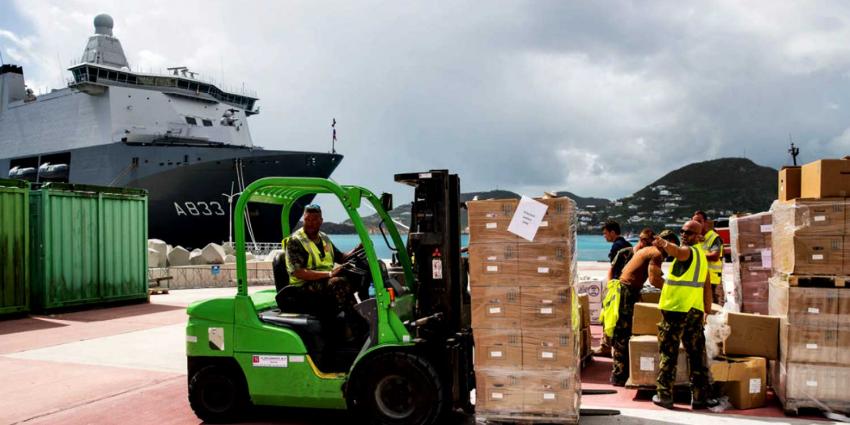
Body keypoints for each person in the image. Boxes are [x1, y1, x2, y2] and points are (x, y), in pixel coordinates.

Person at [651, 220, 717, 410]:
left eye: (688, 233)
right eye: (682, 231)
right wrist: (707, 309)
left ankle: (664, 395)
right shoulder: (702, 257)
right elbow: (706, 287)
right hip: (693, 312)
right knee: (696, 354)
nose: (684, 235)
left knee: (668, 353)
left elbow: (678, 252)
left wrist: (664, 244)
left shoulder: (687, 252)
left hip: (676, 312)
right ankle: (700, 397)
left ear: (698, 237)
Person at [608, 228, 668, 386]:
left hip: (627, 290)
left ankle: (622, 373)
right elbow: (654, 279)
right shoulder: (656, 253)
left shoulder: (648, 250)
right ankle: (619, 375)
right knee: (623, 331)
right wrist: (673, 290)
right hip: (627, 292)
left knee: (623, 331)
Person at [284, 204, 360, 319]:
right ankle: (355, 321)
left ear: (321, 221)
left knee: (358, 275)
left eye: (314, 219)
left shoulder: (324, 238)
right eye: (307, 219)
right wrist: (329, 274)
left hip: (322, 280)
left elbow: (340, 258)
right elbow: (298, 272)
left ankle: (363, 313)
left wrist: (358, 248)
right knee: (337, 282)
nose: (310, 223)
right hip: (302, 287)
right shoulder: (295, 241)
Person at [597, 220, 633, 358]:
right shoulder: (628, 244)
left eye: (605, 233)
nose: (604, 236)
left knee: (607, 315)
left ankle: (605, 346)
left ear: (613, 232)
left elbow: (613, 267)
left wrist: (610, 285)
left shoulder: (616, 246)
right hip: (626, 285)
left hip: (616, 286)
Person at [693, 210, 724, 304]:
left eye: (699, 221)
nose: (696, 224)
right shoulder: (694, 238)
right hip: (698, 279)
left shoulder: (713, 237)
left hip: (712, 280)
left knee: (712, 307)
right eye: (694, 221)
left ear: (705, 223)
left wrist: (695, 254)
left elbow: (715, 256)